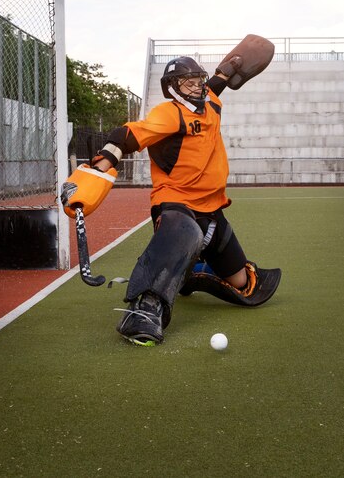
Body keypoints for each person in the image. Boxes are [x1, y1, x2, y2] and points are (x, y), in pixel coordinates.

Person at [64, 36, 281, 346]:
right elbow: (129, 134)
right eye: (188, 82)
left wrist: (225, 71)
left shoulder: (212, 107)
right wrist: (100, 165)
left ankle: (191, 271)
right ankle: (145, 310)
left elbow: (215, 90)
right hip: (176, 203)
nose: (197, 86)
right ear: (173, 88)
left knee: (243, 283)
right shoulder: (169, 114)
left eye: (199, 80)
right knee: (186, 234)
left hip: (212, 208)